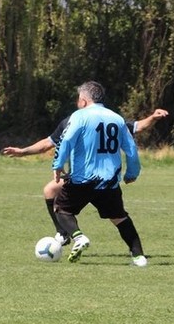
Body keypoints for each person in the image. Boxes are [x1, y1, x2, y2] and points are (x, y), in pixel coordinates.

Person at [3, 107, 167, 252]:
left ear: (84, 101)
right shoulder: (96, 119)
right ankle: (63, 233)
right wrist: (23, 151)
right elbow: (48, 143)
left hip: (85, 178)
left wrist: (152, 118)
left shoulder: (93, 119)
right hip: (99, 178)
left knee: (106, 214)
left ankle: (73, 235)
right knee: (50, 190)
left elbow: (137, 126)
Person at [50, 81, 147, 266]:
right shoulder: (117, 118)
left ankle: (78, 237)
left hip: (82, 179)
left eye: (79, 99)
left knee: (61, 210)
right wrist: (132, 172)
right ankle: (139, 256)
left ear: (84, 101)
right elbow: (131, 149)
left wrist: (58, 164)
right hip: (109, 182)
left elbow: (66, 140)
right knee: (120, 218)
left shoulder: (79, 116)